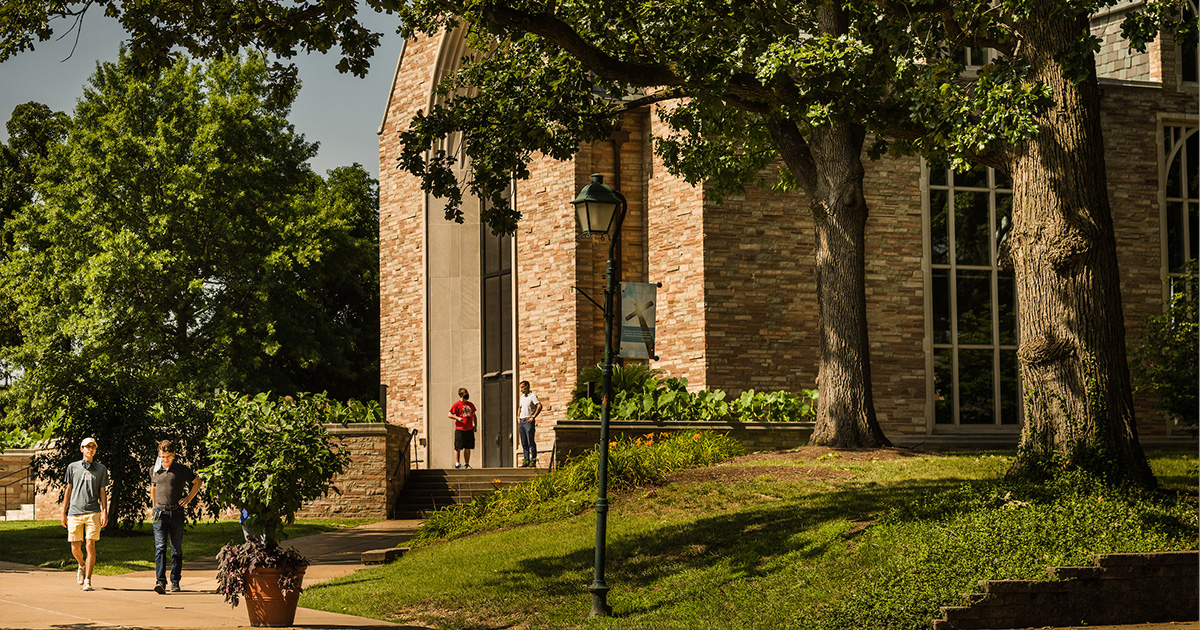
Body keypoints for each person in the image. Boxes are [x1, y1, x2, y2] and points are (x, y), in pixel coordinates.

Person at [149, 440, 203, 594]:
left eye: (168, 456)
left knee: (176, 548)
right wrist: (154, 506)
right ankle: (160, 581)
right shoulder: (154, 469)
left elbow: (197, 482)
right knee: (160, 547)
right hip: (159, 513)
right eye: (162, 456)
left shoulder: (181, 470)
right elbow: (154, 487)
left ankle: (175, 580)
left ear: (174, 455)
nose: (165, 459)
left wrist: (188, 499)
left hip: (177, 513)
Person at [61, 437, 109, 592]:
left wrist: (104, 511)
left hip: (93, 511)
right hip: (74, 512)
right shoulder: (72, 467)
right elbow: (68, 490)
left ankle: (88, 579)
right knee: (75, 547)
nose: (90, 449)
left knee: (90, 544)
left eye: (93, 447)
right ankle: (81, 564)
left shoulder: (101, 469)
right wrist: (63, 512)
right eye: (87, 447)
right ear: (81, 449)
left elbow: (103, 492)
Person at [448, 388, 477, 469]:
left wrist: (475, 424)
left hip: (469, 429)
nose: (467, 395)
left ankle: (467, 463)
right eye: (465, 394)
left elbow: (474, 415)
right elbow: (449, 414)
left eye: (467, 393)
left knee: (468, 447)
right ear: (461, 395)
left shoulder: (470, 405)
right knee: (458, 446)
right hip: (460, 429)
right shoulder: (457, 404)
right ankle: (457, 463)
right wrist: (457, 418)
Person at [517, 380, 543, 467]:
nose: (521, 389)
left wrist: (533, 417)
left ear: (527, 386)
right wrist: (518, 416)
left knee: (530, 441)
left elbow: (539, 406)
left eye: (523, 387)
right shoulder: (522, 397)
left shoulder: (532, 396)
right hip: (522, 421)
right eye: (520, 387)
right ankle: (526, 460)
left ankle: (533, 461)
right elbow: (520, 407)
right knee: (524, 442)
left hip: (529, 421)